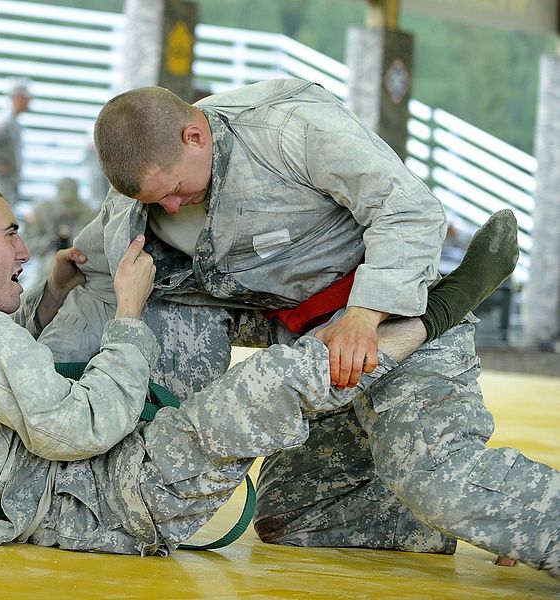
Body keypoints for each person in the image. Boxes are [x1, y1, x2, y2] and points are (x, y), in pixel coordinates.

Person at [37, 79, 558, 576]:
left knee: (438, 482)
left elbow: (411, 211)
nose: (169, 207)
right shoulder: (141, 192)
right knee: (290, 519)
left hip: (390, 314)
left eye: (174, 190)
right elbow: (100, 277)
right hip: (301, 334)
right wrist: (50, 322)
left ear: (194, 136)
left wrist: (364, 313)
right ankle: (497, 510)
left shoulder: (290, 128)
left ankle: (503, 502)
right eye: (156, 201)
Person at [0, 175, 476, 558]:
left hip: (30, 493)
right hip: (98, 500)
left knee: (192, 326)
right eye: (10, 234)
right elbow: (82, 428)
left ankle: (338, 326)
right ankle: (435, 317)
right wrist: (128, 312)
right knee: (260, 391)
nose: (24, 249)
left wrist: (51, 296)